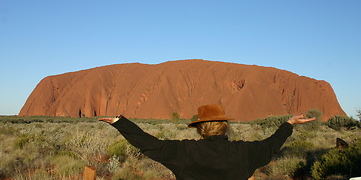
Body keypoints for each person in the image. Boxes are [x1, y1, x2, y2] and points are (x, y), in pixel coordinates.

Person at [99, 104, 315, 180]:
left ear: (200, 128)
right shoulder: (245, 152)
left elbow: (149, 143)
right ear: (225, 126)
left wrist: (120, 123)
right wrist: (289, 123)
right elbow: (271, 144)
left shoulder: (183, 151)